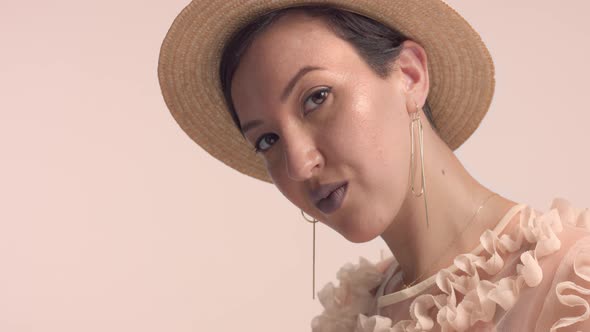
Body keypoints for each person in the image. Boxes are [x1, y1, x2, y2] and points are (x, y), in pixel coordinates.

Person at [158, 1, 590, 330]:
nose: (299, 165)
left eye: (316, 97)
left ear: (409, 75)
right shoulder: (351, 316)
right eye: (268, 140)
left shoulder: (571, 286)